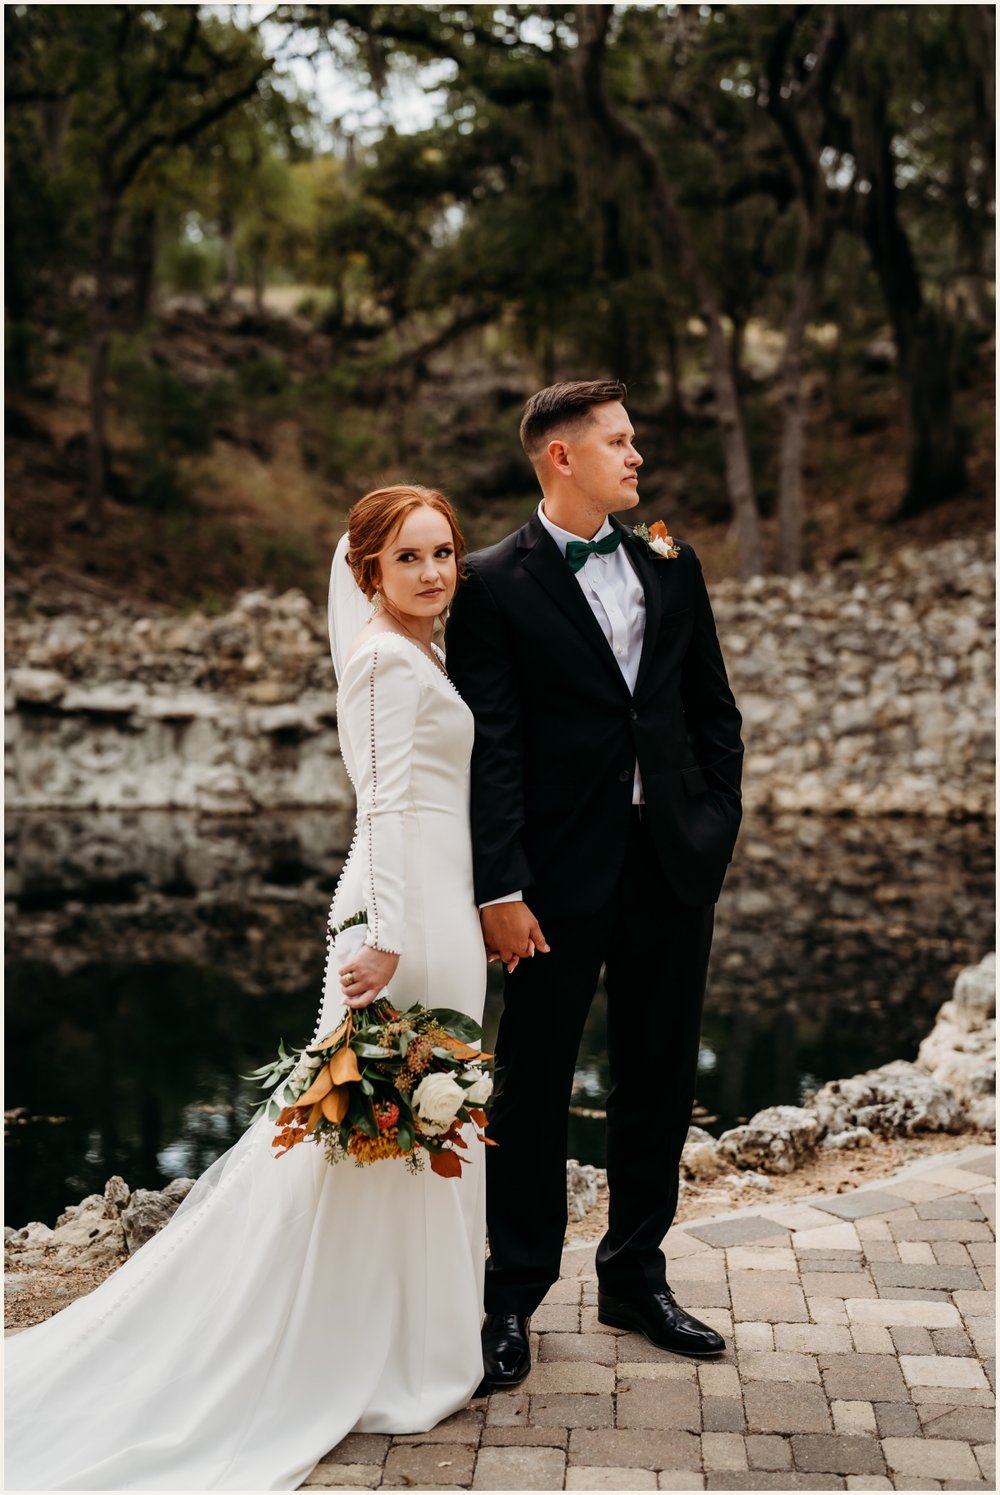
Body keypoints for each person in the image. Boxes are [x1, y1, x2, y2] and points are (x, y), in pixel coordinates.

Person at [5, 485, 489, 1491]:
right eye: (410, 559)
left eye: (444, 553)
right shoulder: (378, 664)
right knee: (364, 1132)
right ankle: (359, 1350)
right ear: (369, 573)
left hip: (444, 913)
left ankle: (420, 1339)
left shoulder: (426, 651)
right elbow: (387, 805)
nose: (435, 573)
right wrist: (391, 940)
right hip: (401, 925)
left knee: (412, 1133)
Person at [446, 380, 744, 1389]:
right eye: (619, 441)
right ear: (560, 457)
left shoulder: (670, 558)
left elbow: (712, 708)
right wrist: (500, 885)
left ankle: (634, 1276)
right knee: (529, 1085)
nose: (638, 457)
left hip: (670, 865)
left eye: (634, 439)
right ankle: (512, 1294)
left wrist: (712, 827)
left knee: (658, 1074)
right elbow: (491, 749)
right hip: (553, 881)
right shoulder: (491, 581)